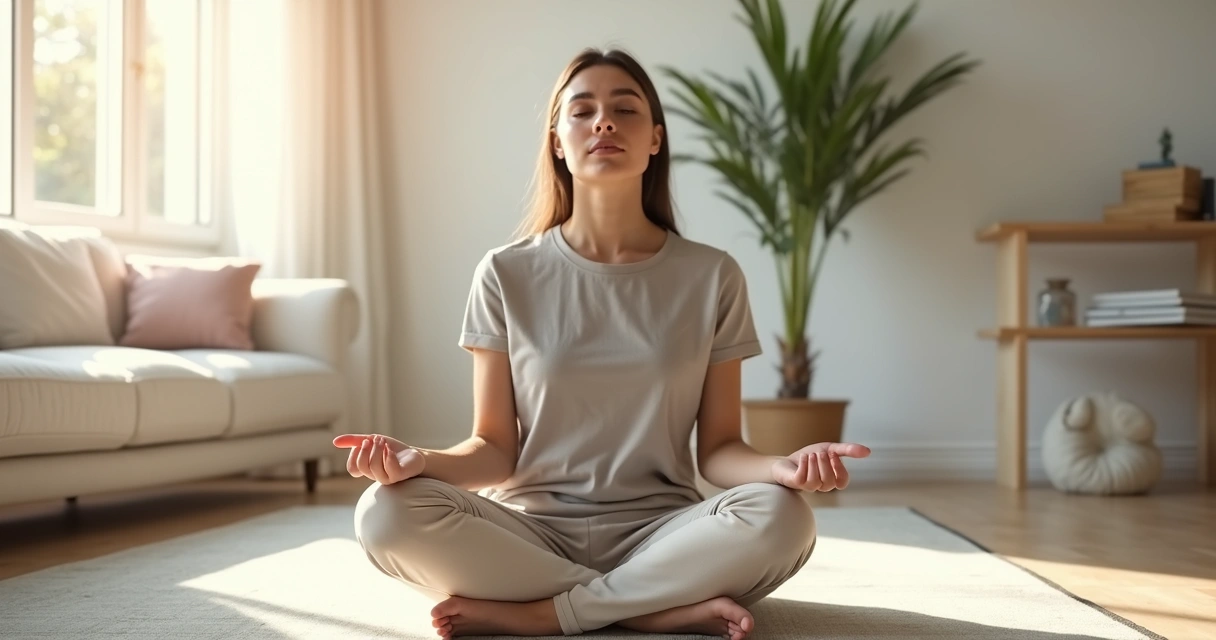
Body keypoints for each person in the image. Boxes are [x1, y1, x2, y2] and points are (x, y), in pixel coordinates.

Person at [333, 47, 871, 640]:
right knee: (384, 513)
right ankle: (648, 608)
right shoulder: (505, 273)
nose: (604, 122)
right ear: (558, 142)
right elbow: (492, 448)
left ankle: (550, 613)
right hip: (530, 531)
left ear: (656, 140)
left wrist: (781, 468)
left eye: (625, 109)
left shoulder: (712, 275)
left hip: (663, 532)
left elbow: (718, 449)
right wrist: (419, 462)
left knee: (783, 516)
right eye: (582, 110)